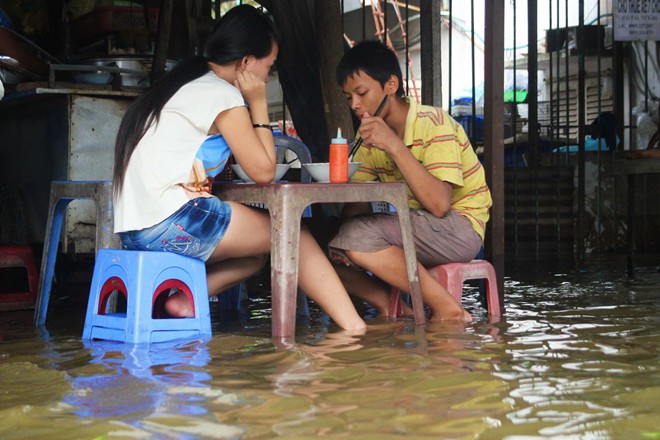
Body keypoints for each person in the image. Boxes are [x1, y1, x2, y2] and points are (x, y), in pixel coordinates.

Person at [112, 5, 366, 332]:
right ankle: (353, 328)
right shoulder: (222, 94)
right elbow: (262, 171)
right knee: (289, 231)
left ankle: (183, 302)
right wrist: (258, 101)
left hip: (136, 231)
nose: (268, 75)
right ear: (246, 62)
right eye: (268, 66)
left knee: (256, 255)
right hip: (170, 222)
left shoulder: (187, 83)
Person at [329, 40, 492, 322]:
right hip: (414, 225)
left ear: (391, 85)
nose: (355, 104)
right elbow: (358, 203)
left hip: (458, 226)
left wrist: (394, 145)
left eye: (362, 92)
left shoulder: (434, 123)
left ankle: (450, 310)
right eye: (348, 97)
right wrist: (335, 239)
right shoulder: (367, 137)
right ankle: (392, 307)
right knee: (313, 245)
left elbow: (440, 205)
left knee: (356, 237)